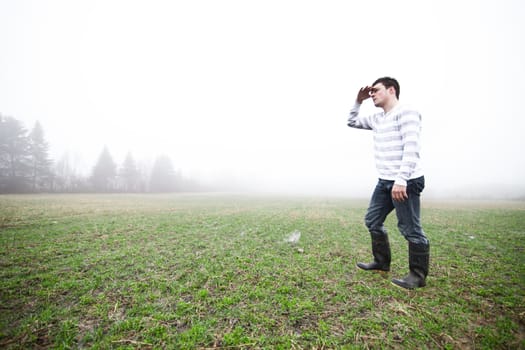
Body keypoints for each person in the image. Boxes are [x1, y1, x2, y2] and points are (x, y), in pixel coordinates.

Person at [347, 77, 430, 290]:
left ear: (391, 90)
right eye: (371, 92)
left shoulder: (407, 112)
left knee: (410, 229)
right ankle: (381, 263)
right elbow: (352, 121)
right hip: (384, 181)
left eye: (376, 90)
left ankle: (417, 276)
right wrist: (358, 101)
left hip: (406, 181)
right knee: (372, 220)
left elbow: (411, 148)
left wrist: (401, 180)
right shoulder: (377, 119)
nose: (372, 94)